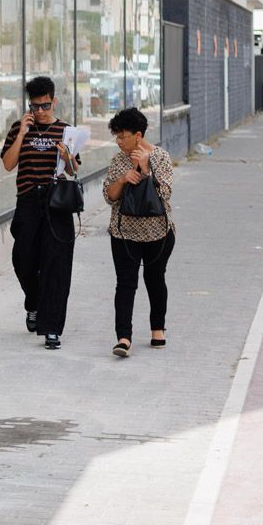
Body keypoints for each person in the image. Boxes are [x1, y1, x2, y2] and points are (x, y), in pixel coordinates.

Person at [1, 76, 81, 350]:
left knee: (56, 267)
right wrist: (22, 133)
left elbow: (74, 170)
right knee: (22, 259)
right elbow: (8, 165)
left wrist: (67, 156)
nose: (39, 112)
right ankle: (33, 303)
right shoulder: (18, 129)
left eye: (44, 106)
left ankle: (51, 329)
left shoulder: (66, 131)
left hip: (56, 204)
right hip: (27, 202)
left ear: (54, 101)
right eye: (34, 107)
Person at [100, 106, 174, 358]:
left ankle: (157, 329)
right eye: (116, 137)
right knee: (125, 284)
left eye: (123, 136)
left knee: (155, 279)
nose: (119, 142)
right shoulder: (118, 160)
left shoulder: (161, 156)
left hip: (158, 234)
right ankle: (123, 337)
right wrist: (122, 180)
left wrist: (145, 170)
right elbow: (109, 197)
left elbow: (165, 194)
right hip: (123, 234)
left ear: (138, 135)